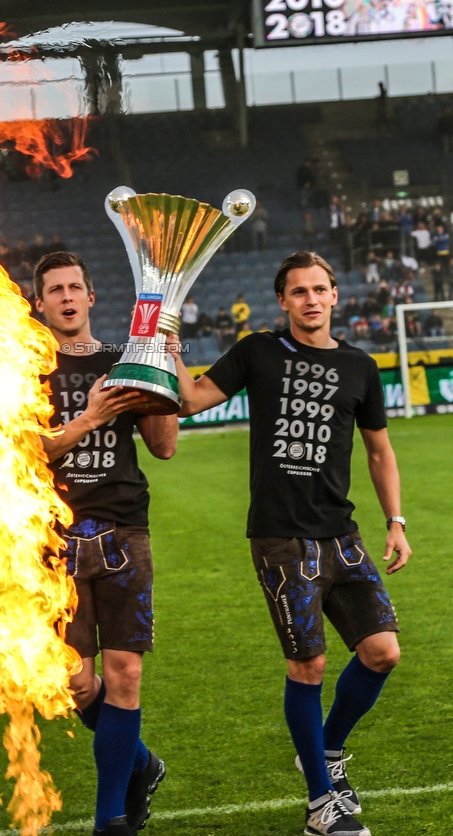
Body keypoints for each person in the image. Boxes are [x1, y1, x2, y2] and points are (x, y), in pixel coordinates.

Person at [167, 250, 411, 836]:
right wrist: (171, 353)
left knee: (383, 652)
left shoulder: (360, 365)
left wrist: (397, 521)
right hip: (282, 541)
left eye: (319, 289)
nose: (309, 299)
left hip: (342, 534)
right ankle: (320, 805)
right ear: (283, 300)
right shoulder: (258, 350)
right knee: (309, 666)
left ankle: (323, 751)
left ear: (334, 296)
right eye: (297, 291)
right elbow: (192, 399)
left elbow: (379, 450)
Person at [33, 251, 178, 836]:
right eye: (54, 290)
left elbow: (164, 446)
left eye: (75, 287)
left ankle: (109, 820)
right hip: (55, 537)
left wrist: (164, 367)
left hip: (124, 532)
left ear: (92, 298)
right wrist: (88, 420)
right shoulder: (22, 368)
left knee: (123, 675)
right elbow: (21, 449)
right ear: (39, 304)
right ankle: (141, 763)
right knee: (74, 683)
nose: (66, 297)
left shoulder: (123, 361)